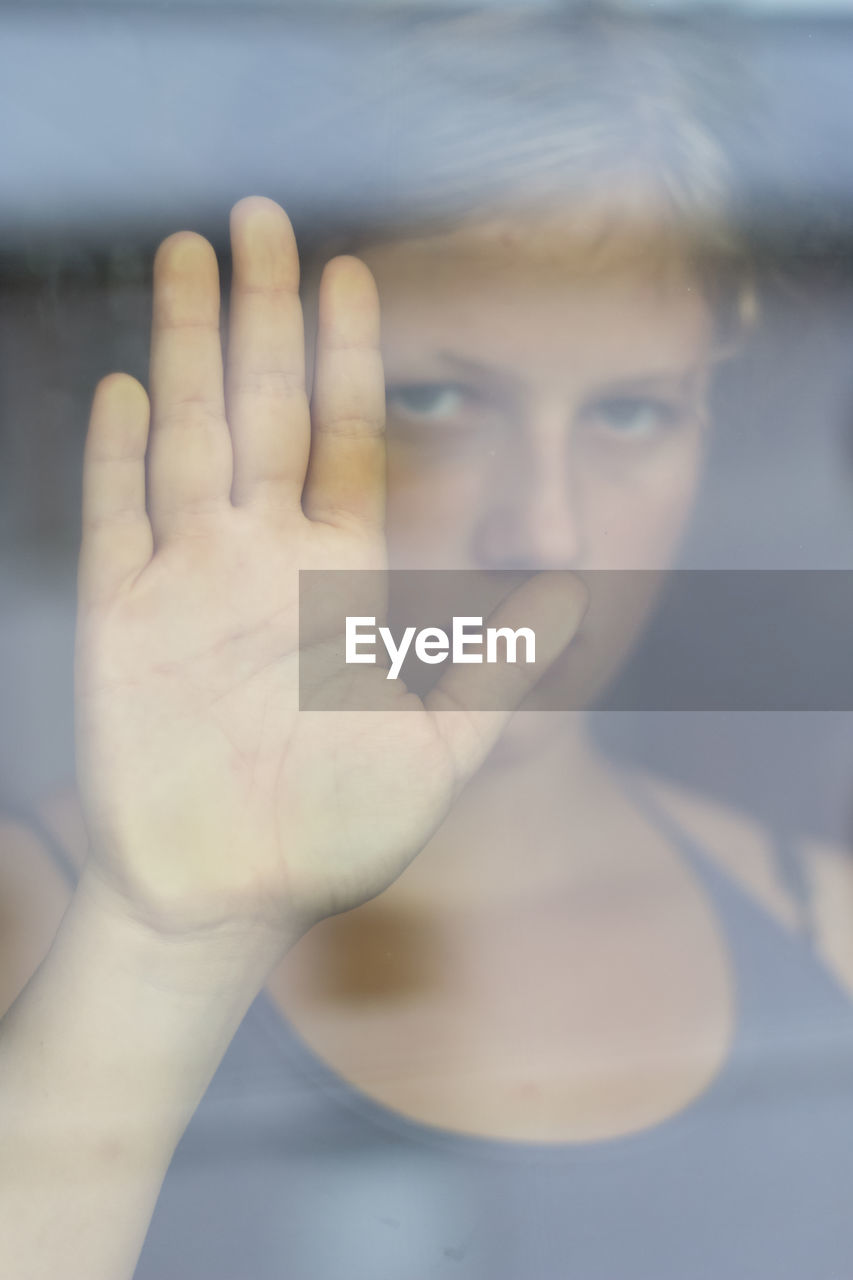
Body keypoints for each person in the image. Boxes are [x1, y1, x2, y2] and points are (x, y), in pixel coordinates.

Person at [3, 9, 853, 1279]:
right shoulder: (35, 929)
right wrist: (164, 943)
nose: (543, 527)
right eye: (435, 399)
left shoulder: (832, 936)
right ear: (254, 385)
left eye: (632, 412)